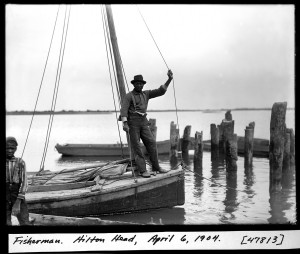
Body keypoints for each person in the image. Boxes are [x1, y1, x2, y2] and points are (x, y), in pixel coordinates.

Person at [120, 70, 173, 178]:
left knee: (152, 142)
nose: (139, 85)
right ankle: (142, 170)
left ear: (143, 85)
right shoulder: (129, 96)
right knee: (137, 147)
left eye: (141, 83)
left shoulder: (146, 94)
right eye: (137, 83)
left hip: (143, 122)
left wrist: (169, 79)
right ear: (134, 84)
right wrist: (125, 124)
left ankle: (156, 167)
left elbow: (161, 91)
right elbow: (123, 110)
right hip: (132, 123)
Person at [6, 136, 30, 225]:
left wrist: (18, 202)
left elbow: (24, 183)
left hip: (17, 195)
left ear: (15, 149)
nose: (9, 150)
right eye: (7, 148)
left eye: (12, 148)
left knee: (24, 221)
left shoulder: (20, 162)